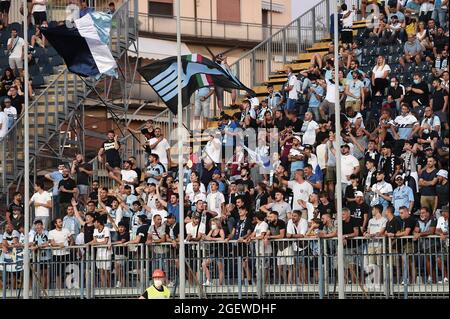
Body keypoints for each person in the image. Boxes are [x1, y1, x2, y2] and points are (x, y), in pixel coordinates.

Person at [48, 218, 73, 289]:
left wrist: (70, 246)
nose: (61, 223)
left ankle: (69, 288)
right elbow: (52, 243)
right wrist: (60, 245)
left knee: (68, 272)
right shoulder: (51, 232)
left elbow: (71, 239)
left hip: (66, 254)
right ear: (55, 224)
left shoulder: (66, 230)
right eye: (59, 222)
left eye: (61, 221)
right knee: (57, 273)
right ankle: (58, 289)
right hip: (56, 255)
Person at [88, 218, 112, 288]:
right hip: (99, 252)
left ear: (98, 223)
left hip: (106, 252)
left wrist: (96, 244)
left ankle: (109, 286)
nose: (93, 224)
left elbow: (105, 241)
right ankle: (103, 287)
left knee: (106, 271)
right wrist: (88, 244)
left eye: (94, 222)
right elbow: (94, 240)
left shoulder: (106, 229)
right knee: (101, 270)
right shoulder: (95, 230)